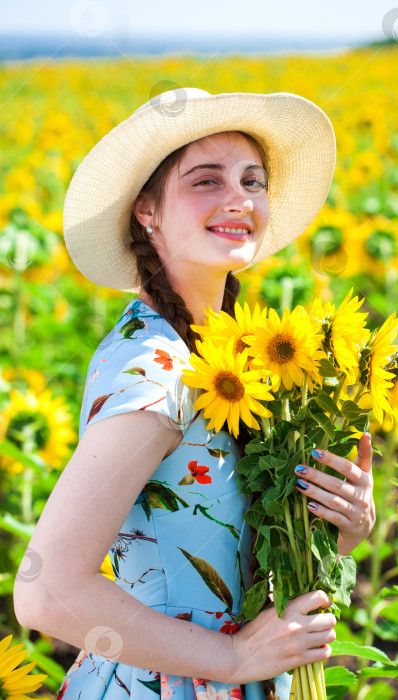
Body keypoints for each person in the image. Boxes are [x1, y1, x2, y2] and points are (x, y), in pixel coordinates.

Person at [13, 87, 375, 700]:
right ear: (145, 211)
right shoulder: (156, 372)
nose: (239, 198)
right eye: (206, 181)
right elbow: (46, 593)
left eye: (252, 181)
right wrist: (231, 657)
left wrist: (342, 527)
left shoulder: (225, 356)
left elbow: (221, 551)